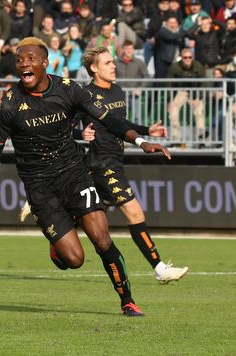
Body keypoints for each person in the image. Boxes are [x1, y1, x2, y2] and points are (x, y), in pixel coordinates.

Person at [0, 37, 171, 317]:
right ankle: (58, 248)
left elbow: (110, 120)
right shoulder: (8, 104)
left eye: (31, 59)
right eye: (20, 60)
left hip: (75, 175)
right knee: (75, 259)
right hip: (40, 186)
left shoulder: (68, 90)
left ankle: (127, 301)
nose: (24, 64)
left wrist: (140, 141)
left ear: (45, 63)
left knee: (102, 239)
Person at [76, 46, 188, 284]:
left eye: (112, 62)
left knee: (91, 222)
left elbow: (119, 122)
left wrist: (147, 130)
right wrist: (80, 133)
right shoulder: (85, 95)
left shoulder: (117, 91)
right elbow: (66, 125)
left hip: (115, 159)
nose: (113, 66)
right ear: (94, 69)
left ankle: (51, 219)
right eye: (107, 63)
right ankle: (159, 268)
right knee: (134, 212)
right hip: (102, 163)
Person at [167, 48, 206, 144]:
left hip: (195, 92)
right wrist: (170, 100)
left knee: (199, 112)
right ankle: (175, 138)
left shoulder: (198, 66)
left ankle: (201, 138)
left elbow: (203, 83)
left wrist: (198, 98)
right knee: (173, 112)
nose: (188, 59)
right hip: (181, 91)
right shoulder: (174, 67)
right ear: (181, 58)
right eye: (185, 57)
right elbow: (169, 84)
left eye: (190, 57)